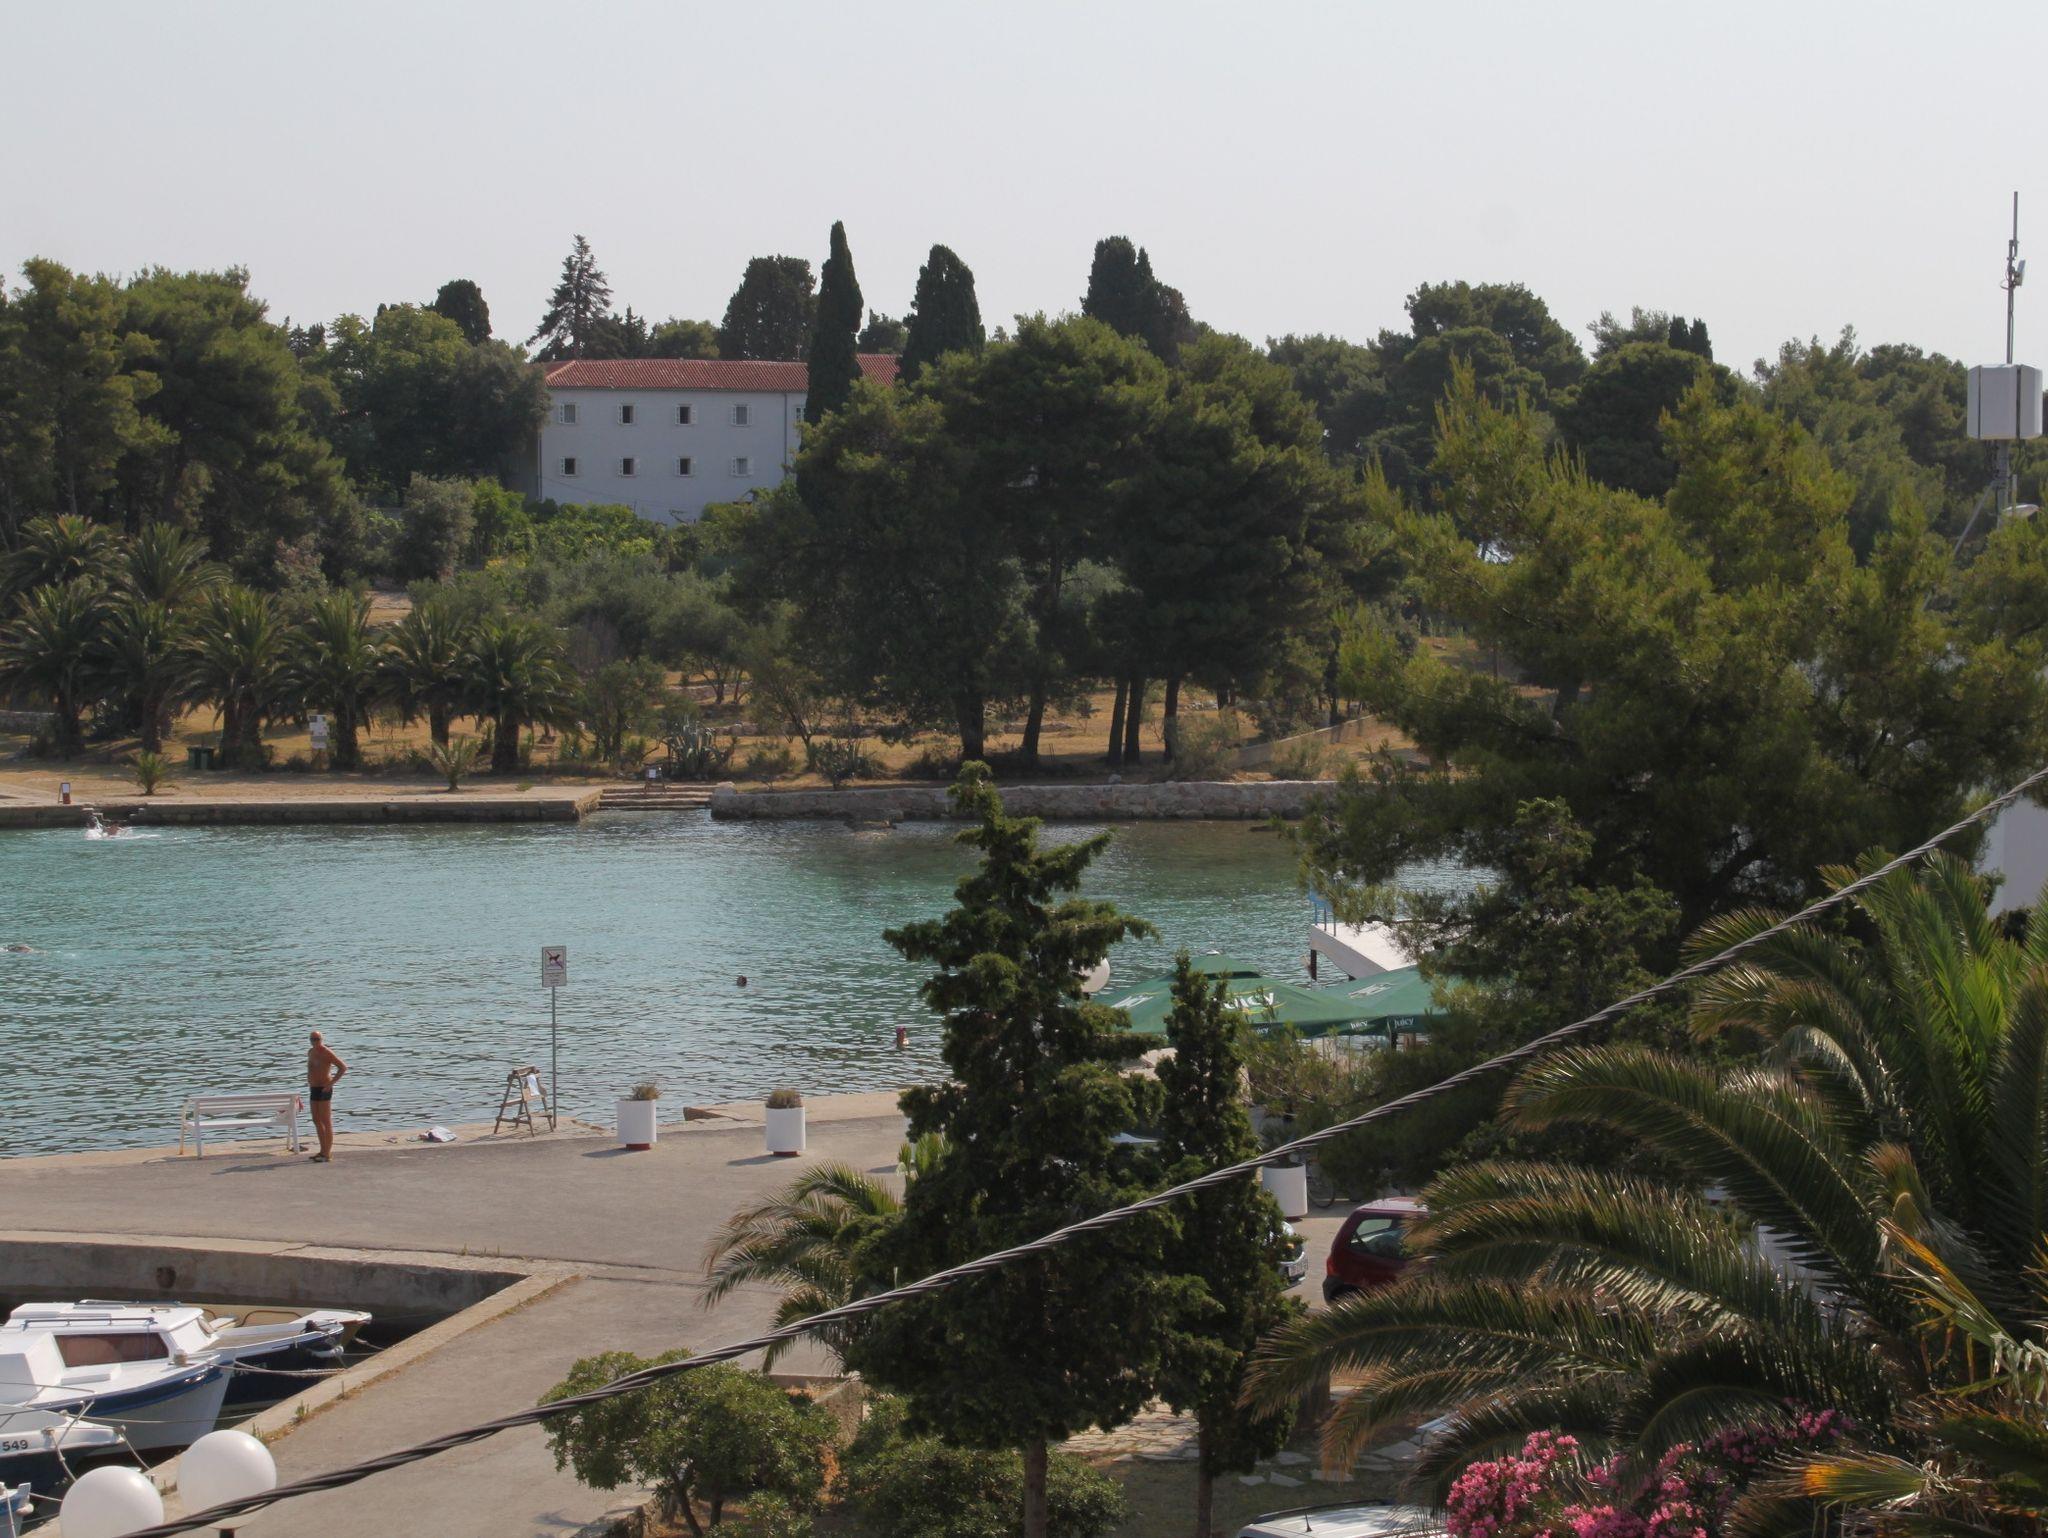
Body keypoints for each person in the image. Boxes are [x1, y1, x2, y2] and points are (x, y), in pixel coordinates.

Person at [306, 1030, 347, 1163]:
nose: (314, 1042)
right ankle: (322, 1150)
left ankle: (327, 1153)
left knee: (326, 1121)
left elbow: (342, 1067)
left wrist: (331, 1083)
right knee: (316, 1119)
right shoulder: (310, 1052)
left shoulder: (326, 1052)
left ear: (321, 1040)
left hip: (324, 1088)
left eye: (317, 1039)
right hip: (314, 1088)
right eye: (312, 1039)